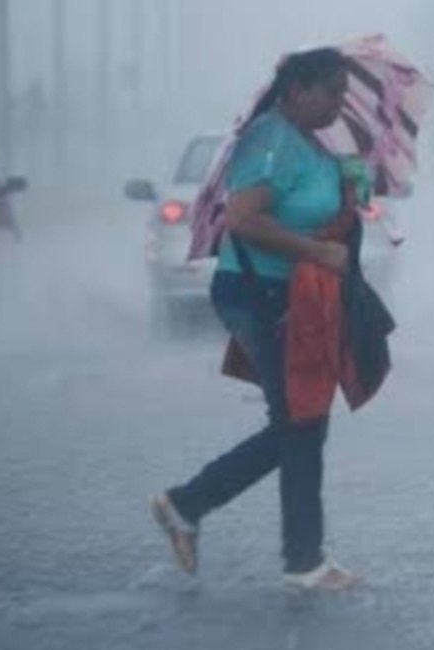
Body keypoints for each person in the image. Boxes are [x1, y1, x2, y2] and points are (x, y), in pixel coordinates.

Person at [151, 48, 360, 591]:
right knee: (300, 421)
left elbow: (306, 211)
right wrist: (316, 254)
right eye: (332, 91)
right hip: (259, 294)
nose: (341, 103)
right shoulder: (269, 139)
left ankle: (288, 550)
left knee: (301, 420)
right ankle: (293, 555)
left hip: (292, 295)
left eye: (344, 92)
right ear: (295, 89)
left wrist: (349, 191)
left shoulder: (309, 143)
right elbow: (244, 220)